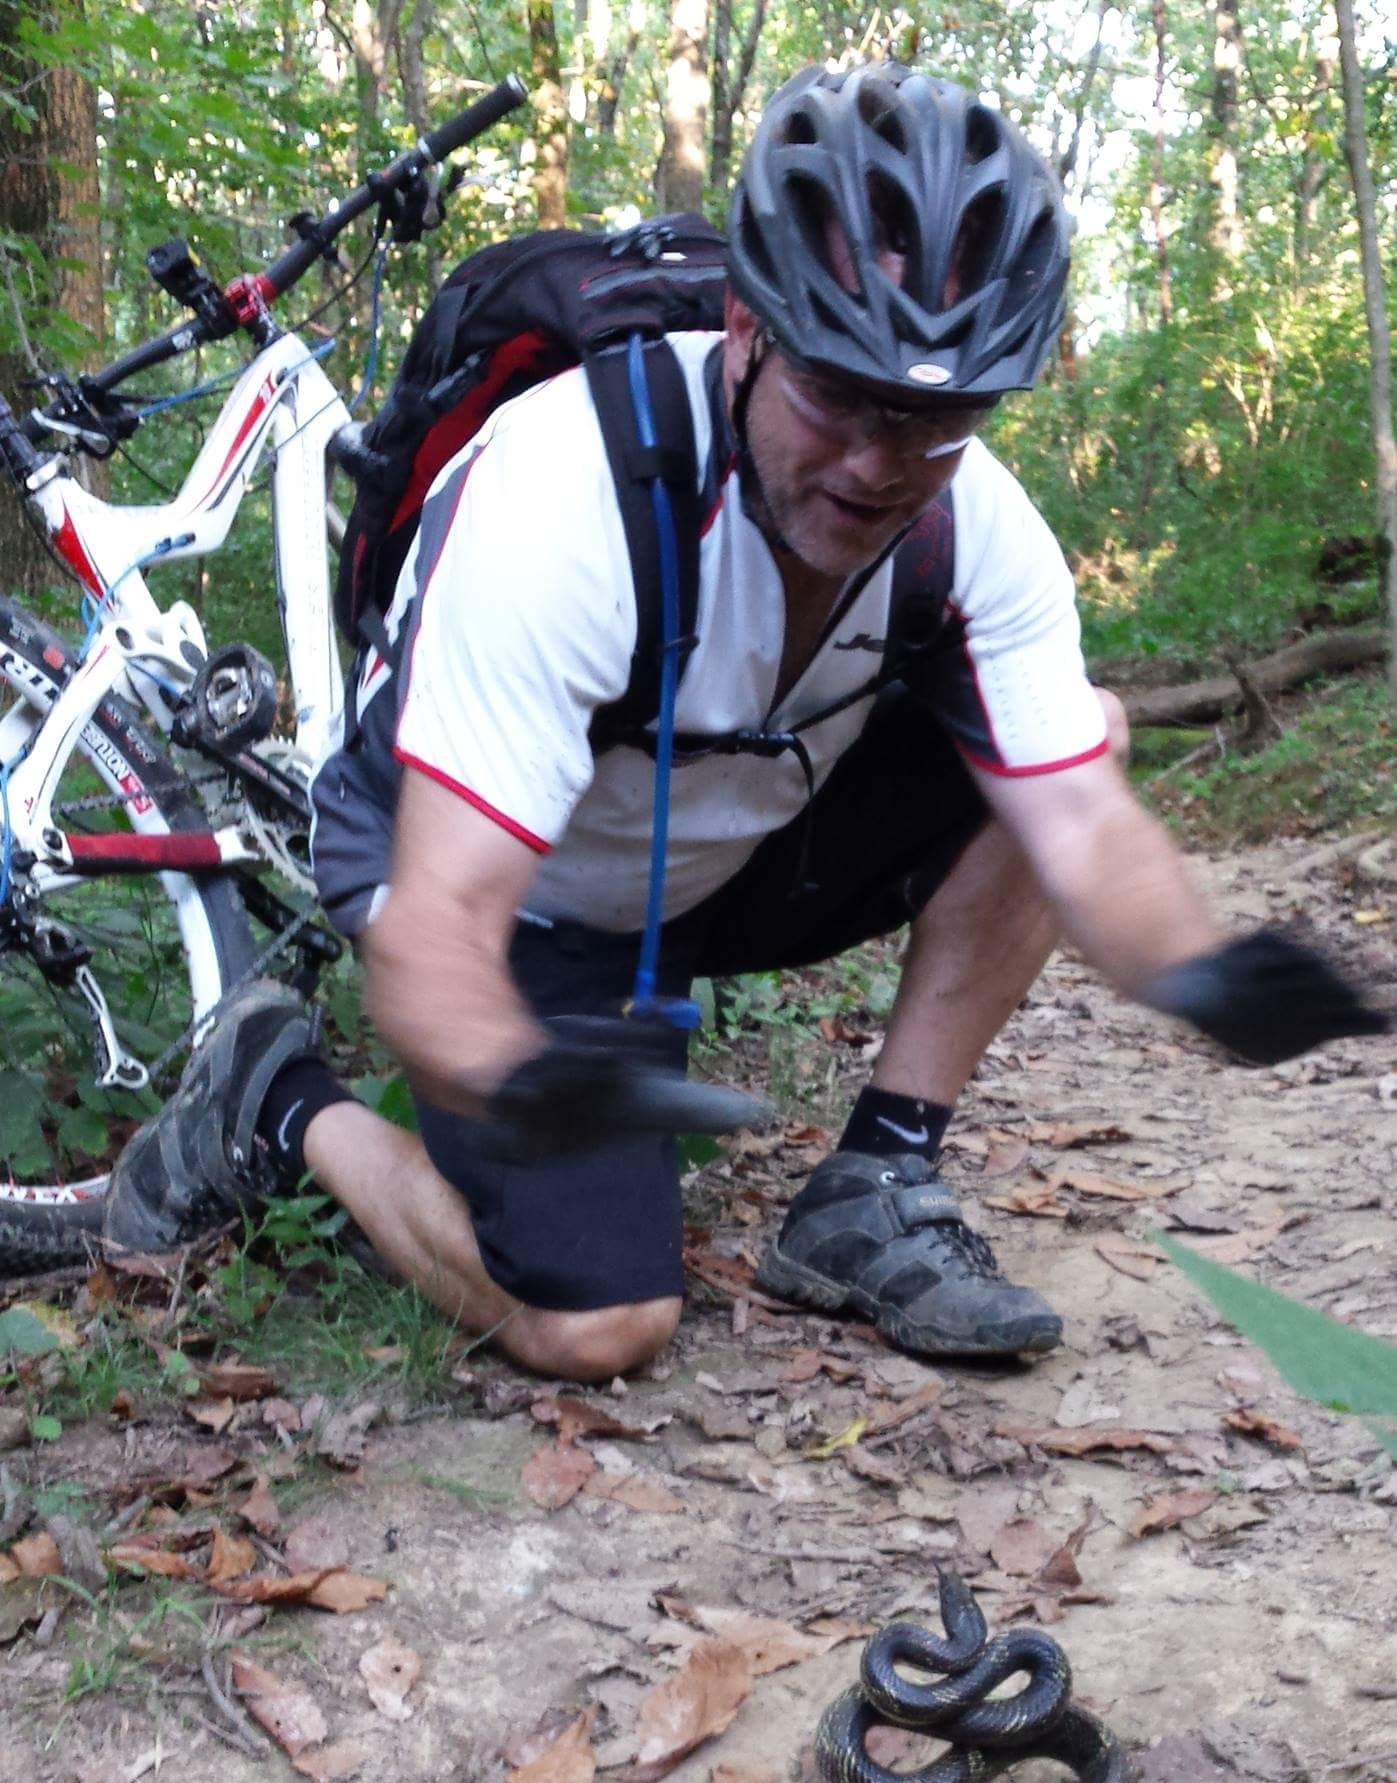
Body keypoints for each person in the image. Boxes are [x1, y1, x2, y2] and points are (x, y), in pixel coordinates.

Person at [103, 62, 1386, 1380]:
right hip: (504, 889)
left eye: (939, 417)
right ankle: (274, 1098)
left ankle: (876, 1182)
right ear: (745, 326)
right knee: (596, 1325)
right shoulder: (563, 498)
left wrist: (1201, 972)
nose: (880, 463)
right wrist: (521, 1074)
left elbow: (1079, 825)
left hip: (710, 845)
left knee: (1077, 734)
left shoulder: (975, 527)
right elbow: (437, 932)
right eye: (839, 393)